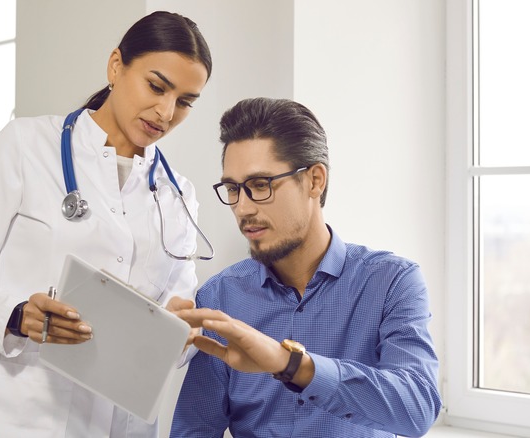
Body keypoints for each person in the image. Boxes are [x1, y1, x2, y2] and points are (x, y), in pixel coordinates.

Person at [0, 11, 212, 437]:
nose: (166, 112)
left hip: (120, 422)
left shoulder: (178, 194)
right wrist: (17, 315)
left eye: (185, 102)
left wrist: (177, 331)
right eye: (156, 86)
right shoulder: (25, 147)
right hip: (18, 417)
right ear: (116, 65)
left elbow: (176, 327)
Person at [170, 97, 441, 438]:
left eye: (260, 186)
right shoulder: (220, 295)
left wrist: (290, 365)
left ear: (315, 180)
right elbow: (194, 430)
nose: (242, 208)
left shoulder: (391, 281)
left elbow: (416, 409)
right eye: (233, 189)